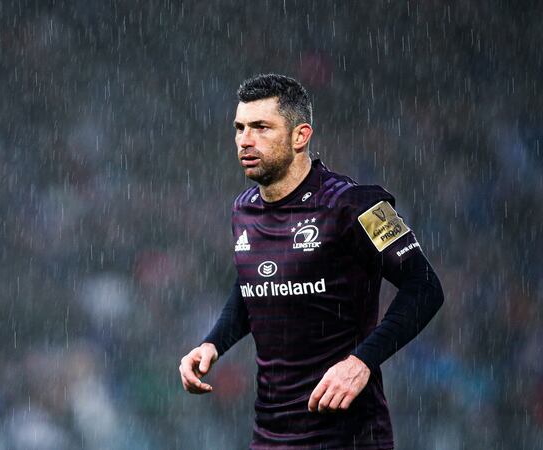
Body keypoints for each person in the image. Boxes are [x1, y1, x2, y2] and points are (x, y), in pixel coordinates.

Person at [178, 74, 444, 449]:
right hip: (271, 436)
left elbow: (425, 287)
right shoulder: (244, 209)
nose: (245, 140)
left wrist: (361, 362)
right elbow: (254, 285)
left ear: (300, 136)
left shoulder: (357, 204)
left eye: (261, 127)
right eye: (239, 128)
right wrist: (213, 344)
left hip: (347, 436)